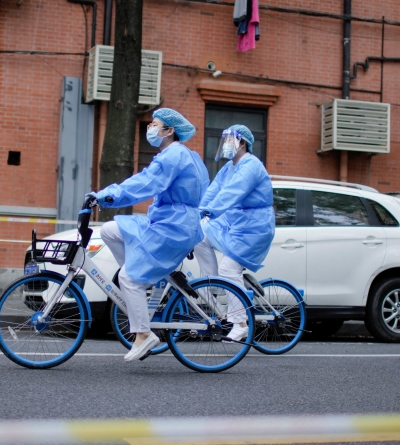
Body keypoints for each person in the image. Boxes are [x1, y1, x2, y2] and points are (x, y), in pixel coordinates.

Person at [89, 108, 209, 362]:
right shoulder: (183, 154)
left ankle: (144, 334)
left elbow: (145, 183)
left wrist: (104, 196)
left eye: (155, 124)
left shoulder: (173, 155)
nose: (150, 129)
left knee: (127, 277)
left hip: (173, 228)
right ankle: (142, 280)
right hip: (170, 223)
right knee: (109, 230)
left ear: (169, 130)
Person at [194, 124, 274, 342]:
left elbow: (231, 193)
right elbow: (214, 190)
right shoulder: (229, 166)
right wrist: (198, 212)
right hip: (233, 223)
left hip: (254, 228)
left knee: (228, 268)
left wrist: (209, 210)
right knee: (198, 235)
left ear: (242, 143)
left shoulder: (251, 166)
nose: (226, 145)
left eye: (230, 141)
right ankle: (214, 285)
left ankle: (240, 323)